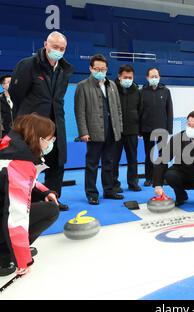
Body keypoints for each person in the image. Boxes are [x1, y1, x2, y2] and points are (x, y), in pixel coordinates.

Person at [8, 31, 74, 211]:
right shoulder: (28, 65)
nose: (58, 51)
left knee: (56, 163)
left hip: (56, 125)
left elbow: (58, 98)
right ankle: (30, 201)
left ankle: (53, 199)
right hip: (33, 127)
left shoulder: (64, 70)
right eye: (54, 47)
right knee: (29, 164)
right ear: (45, 44)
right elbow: (16, 95)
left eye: (62, 48)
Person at [0, 114, 60, 277]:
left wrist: (45, 191)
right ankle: (4, 254)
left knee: (40, 199)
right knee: (50, 210)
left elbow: (23, 181)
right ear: (38, 139)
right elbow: (16, 217)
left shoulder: (8, 150)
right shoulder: (19, 163)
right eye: (49, 139)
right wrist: (23, 259)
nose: (51, 143)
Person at [74, 54, 124, 205]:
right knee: (92, 164)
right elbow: (79, 111)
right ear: (90, 68)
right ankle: (92, 193)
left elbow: (118, 109)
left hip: (112, 130)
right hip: (93, 132)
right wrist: (83, 132)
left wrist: (119, 127)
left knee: (109, 162)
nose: (100, 71)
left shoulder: (112, 85)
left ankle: (109, 190)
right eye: (97, 68)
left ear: (107, 69)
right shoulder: (82, 86)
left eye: (103, 69)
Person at [140, 67, 173, 187]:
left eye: (156, 76)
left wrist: (169, 129)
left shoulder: (166, 91)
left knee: (162, 154)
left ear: (159, 77)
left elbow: (169, 111)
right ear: (147, 78)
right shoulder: (142, 91)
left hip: (162, 128)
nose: (154, 78)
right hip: (146, 128)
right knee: (148, 154)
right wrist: (140, 129)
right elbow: (139, 111)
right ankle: (148, 177)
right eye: (152, 76)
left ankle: (163, 177)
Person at [113, 64, 142, 193]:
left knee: (133, 159)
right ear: (119, 76)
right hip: (116, 131)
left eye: (130, 77)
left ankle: (133, 183)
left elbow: (140, 110)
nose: (128, 79)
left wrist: (139, 128)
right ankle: (114, 184)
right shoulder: (111, 89)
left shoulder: (137, 90)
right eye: (125, 77)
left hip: (132, 131)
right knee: (114, 159)